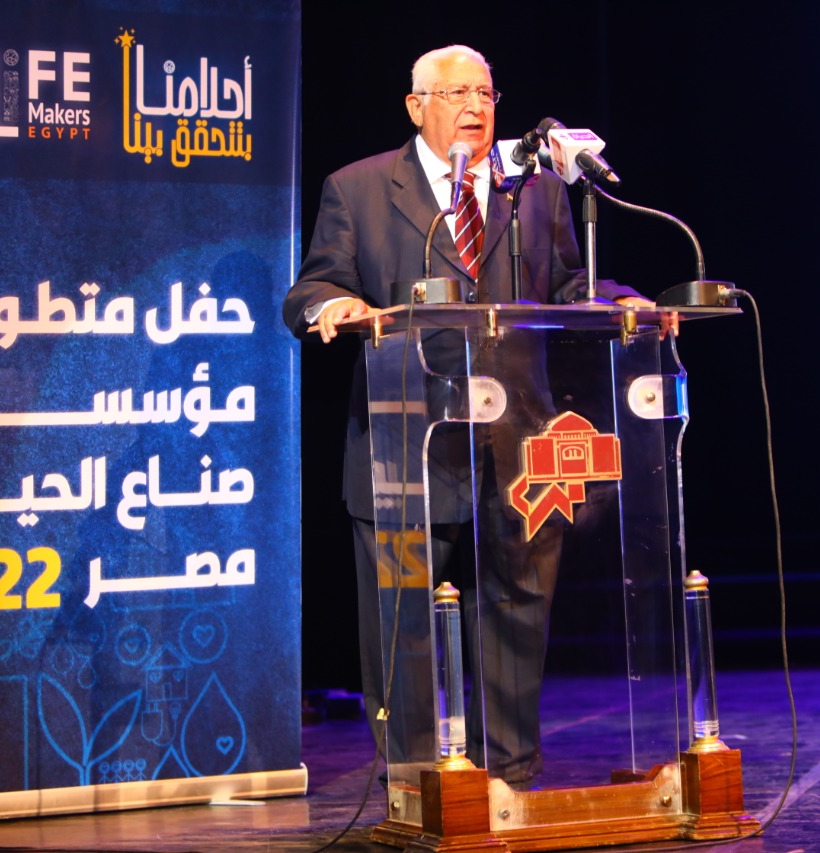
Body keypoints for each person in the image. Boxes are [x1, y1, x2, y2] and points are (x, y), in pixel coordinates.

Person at [283, 44, 674, 788]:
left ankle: (510, 779)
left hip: (518, 444)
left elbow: (568, 286)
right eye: (456, 92)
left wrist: (622, 302)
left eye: (486, 93)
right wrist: (335, 305)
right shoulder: (359, 188)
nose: (475, 106)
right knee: (403, 622)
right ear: (416, 106)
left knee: (518, 611)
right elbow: (312, 288)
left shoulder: (534, 190)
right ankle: (414, 783)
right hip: (406, 442)